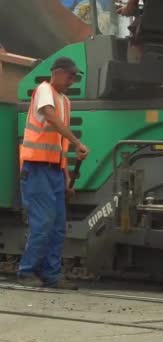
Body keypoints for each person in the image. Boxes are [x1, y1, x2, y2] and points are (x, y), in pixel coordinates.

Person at [17, 57, 90, 289]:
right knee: (43, 222)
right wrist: (77, 141)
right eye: (70, 76)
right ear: (57, 73)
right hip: (36, 168)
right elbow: (49, 117)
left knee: (58, 225)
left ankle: (52, 275)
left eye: (74, 77)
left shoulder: (65, 101)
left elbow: (60, 144)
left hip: (54, 171)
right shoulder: (44, 90)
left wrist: (67, 178)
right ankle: (26, 272)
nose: (72, 80)